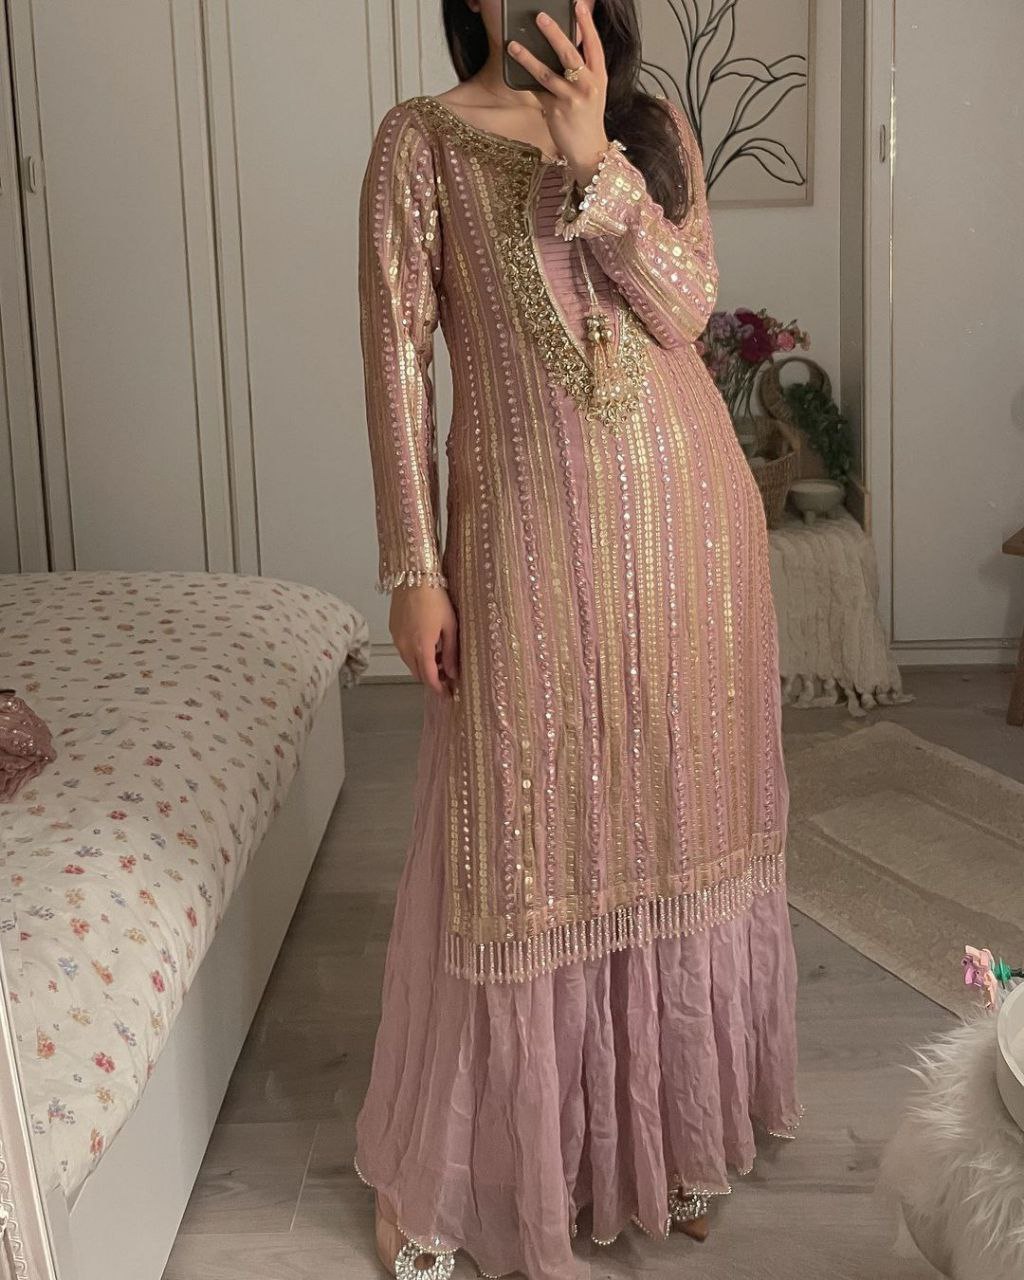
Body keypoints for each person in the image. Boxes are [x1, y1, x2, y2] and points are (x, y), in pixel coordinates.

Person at [352, 2, 800, 1277]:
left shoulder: (651, 128)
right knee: (528, 842)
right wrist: (413, 568)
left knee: (675, 820)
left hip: (691, 540)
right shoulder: (419, 143)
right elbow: (396, 362)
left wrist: (596, 149)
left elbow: (687, 311)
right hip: (527, 552)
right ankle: (491, 1173)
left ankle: (668, 1142)